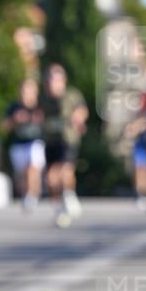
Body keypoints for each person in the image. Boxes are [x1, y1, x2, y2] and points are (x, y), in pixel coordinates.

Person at [40, 64, 89, 226]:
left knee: (66, 171)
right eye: (50, 79)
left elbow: (82, 110)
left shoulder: (71, 95)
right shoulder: (44, 98)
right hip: (51, 141)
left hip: (68, 139)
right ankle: (58, 207)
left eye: (56, 79)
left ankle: (69, 195)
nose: (53, 83)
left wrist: (78, 118)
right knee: (51, 178)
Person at [2, 78, 45, 210]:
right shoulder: (14, 107)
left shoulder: (41, 106)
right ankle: (29, 194)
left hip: (35, 142)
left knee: (32, 168)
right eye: (24, 90)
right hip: (18, 144)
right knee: (21, 175)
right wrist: (14, 120)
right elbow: (3, 127)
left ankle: (32, 195)